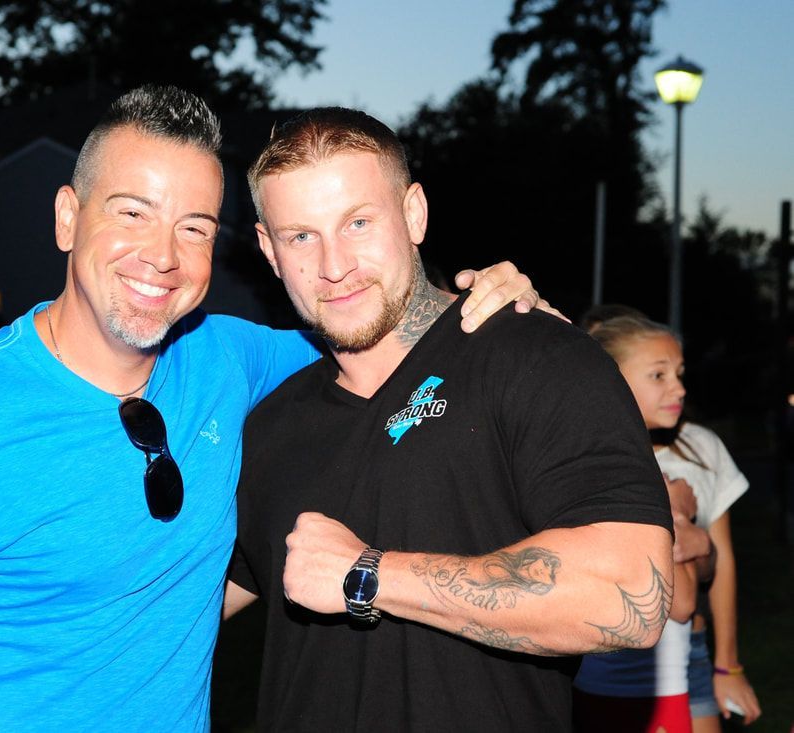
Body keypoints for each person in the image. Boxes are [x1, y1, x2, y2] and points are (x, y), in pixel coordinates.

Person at [0, 85, 546, 731]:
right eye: (132, 212)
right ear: (67, 218)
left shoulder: (226, 358)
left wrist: (488, 305)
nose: (163, 255)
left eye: (194, 227)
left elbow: (368, 323)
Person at [224, 107, 676, 732]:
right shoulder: (268, 426)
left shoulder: (535, 355)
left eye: (358, 222)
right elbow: (173, 608)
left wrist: (367, 574)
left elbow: (631, 594)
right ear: (269, 251)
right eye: (301, 236)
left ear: (414, 213)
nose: (333, 264)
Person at [576, 315, 762, 731]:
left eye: (679, 374)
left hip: (684, 652)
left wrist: (727, 665)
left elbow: (715, 562)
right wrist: (675, 514)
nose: (679, 388)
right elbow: (677, 596)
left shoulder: (700, 448)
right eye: (659, 375)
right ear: (612, 380)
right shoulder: (596, 462)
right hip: (614, 667)